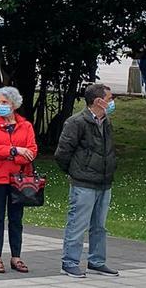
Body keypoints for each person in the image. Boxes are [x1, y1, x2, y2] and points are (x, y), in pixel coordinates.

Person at [55, 83, 119, 278]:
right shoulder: (76, 122)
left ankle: (97, 261)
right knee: (77, 223)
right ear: (98, 101)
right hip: (83, 183)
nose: (112, 102)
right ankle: (69, 262)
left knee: (99, 225)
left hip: (104, 182)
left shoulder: (106, 121)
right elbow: (62, 153)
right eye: (109, 99)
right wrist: (76, 172)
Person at [0, 86, 36, 274]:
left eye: (5, 103)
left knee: (16, 219)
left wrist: (11, 154)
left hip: (17, 179)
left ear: (14, 104)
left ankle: (16, 256)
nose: (1, 106)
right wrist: (14, 150)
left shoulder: (26, 126)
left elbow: (31, 151)